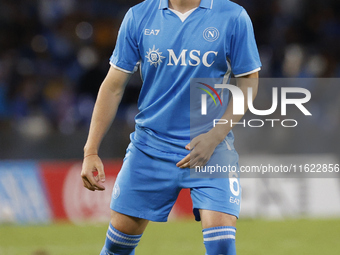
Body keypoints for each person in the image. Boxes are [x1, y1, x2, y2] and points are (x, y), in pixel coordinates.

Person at [81, 0, 261, 254]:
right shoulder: (139, 16)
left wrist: (215, 135)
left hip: (211, 148)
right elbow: (113, 86)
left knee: (221, 244)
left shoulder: (233, 16)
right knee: (117, 247)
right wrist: (91, 151)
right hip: (150, 149)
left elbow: (249, 82)